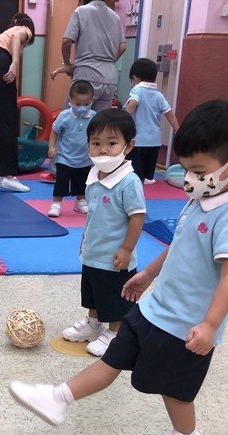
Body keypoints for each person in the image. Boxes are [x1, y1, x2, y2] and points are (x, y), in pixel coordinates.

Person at [9, 100, 228, 435]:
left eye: (197, 170)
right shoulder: (202, 196)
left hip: (185, 325)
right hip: (155, 309)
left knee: (175, 390)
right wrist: (148, 274)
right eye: (186, 169)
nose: (188, 179)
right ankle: (57, 398)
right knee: (113, 357)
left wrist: (209, 324)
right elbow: (180, 245)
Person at [60, 108, 145, 357]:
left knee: (114, 297)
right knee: (92, 292)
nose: (103, 150)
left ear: (129, 146)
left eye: (111, 143)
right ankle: (93, 323)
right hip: (93, 251)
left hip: (115, 256)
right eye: (96, 143)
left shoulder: (129, 181)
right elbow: (94, 214)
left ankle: (116, 332)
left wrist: (127, 249)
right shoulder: (93, 175)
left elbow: (137, 216)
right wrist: (85, 240)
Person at [0, 13, 36, 193]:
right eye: (27, 45)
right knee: (7, 121)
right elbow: (18, 37)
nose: (25, 46)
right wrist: (15, 62)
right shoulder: (23, 30)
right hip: (0, 64)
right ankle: (8, 176)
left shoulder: (2, 36)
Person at [50, 0, 126, 112]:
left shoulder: (81, 11)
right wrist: (108, 62)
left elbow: (66, 42)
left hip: (87, 75)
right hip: (110, 79)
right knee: (99, 121)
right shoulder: (115, 17)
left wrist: (67, 64)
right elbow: (122, 47)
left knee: (69, 118)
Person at [124, 58, 180, 185]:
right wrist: (177, 129)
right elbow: (169, 113)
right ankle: (145, 180)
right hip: (155, 142)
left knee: (132, 171)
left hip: (137, 141)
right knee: (146, 170)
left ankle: (136, 186)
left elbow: (133, 102)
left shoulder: (137, 90)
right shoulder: (158, 95)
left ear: (134, 78)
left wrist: (124, 119)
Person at [47, 81, 96, 218]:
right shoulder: (64, 116)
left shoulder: (93, 116)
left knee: (82, 181)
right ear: (71, 100)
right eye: (78, 104)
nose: (82, 108)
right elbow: (54, 131)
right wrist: (51, 146)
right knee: (61, 181)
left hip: (84, 158)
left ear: (92, 101)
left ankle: (80, 201)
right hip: (64, 157)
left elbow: (97, 134)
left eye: (86, 104)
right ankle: (56, 203)